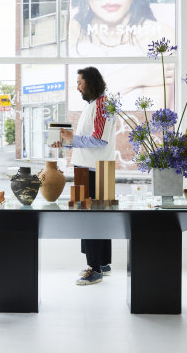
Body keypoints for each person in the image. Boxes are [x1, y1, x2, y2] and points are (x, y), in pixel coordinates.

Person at [68, 0, 175, 109]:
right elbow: (68, 106)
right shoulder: (72, 32)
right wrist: (134, 75)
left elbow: (153, 120)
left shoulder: (158, 34)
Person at [52, 66, 116, 285]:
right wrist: (69, 140)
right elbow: (89, 140)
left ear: (90, 82)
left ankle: (94, 268)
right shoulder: (93, 105)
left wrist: (72, 139)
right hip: (92, 169)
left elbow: (99, 140)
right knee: (99, 220)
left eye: (79, 82)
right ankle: (102, 264)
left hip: (94, 171)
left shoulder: (102, 105)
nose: (77, 86)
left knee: (89, 221)